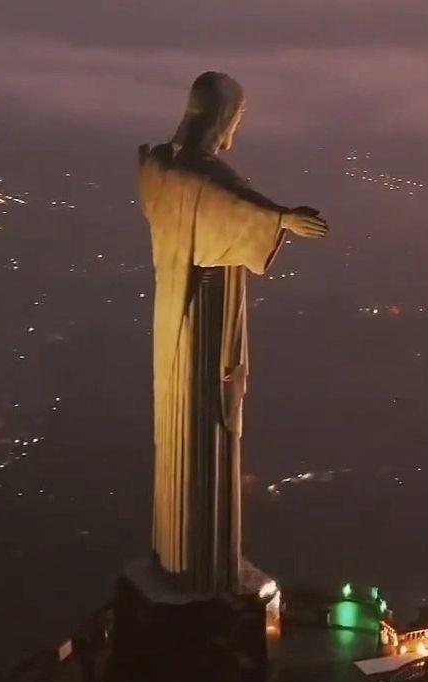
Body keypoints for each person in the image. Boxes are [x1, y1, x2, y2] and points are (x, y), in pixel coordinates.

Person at [138, 72, 328, 594]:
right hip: (206, 322)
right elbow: (235, 202)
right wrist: (286, 219)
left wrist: (279, 217)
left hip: (170, 323)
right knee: (205, 428)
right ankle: (207, 573)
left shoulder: (160, 166)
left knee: (178, 432)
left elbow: (203, 195)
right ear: (223, 118)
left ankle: (179, 559)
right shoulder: (203, 175)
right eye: (236, 118)